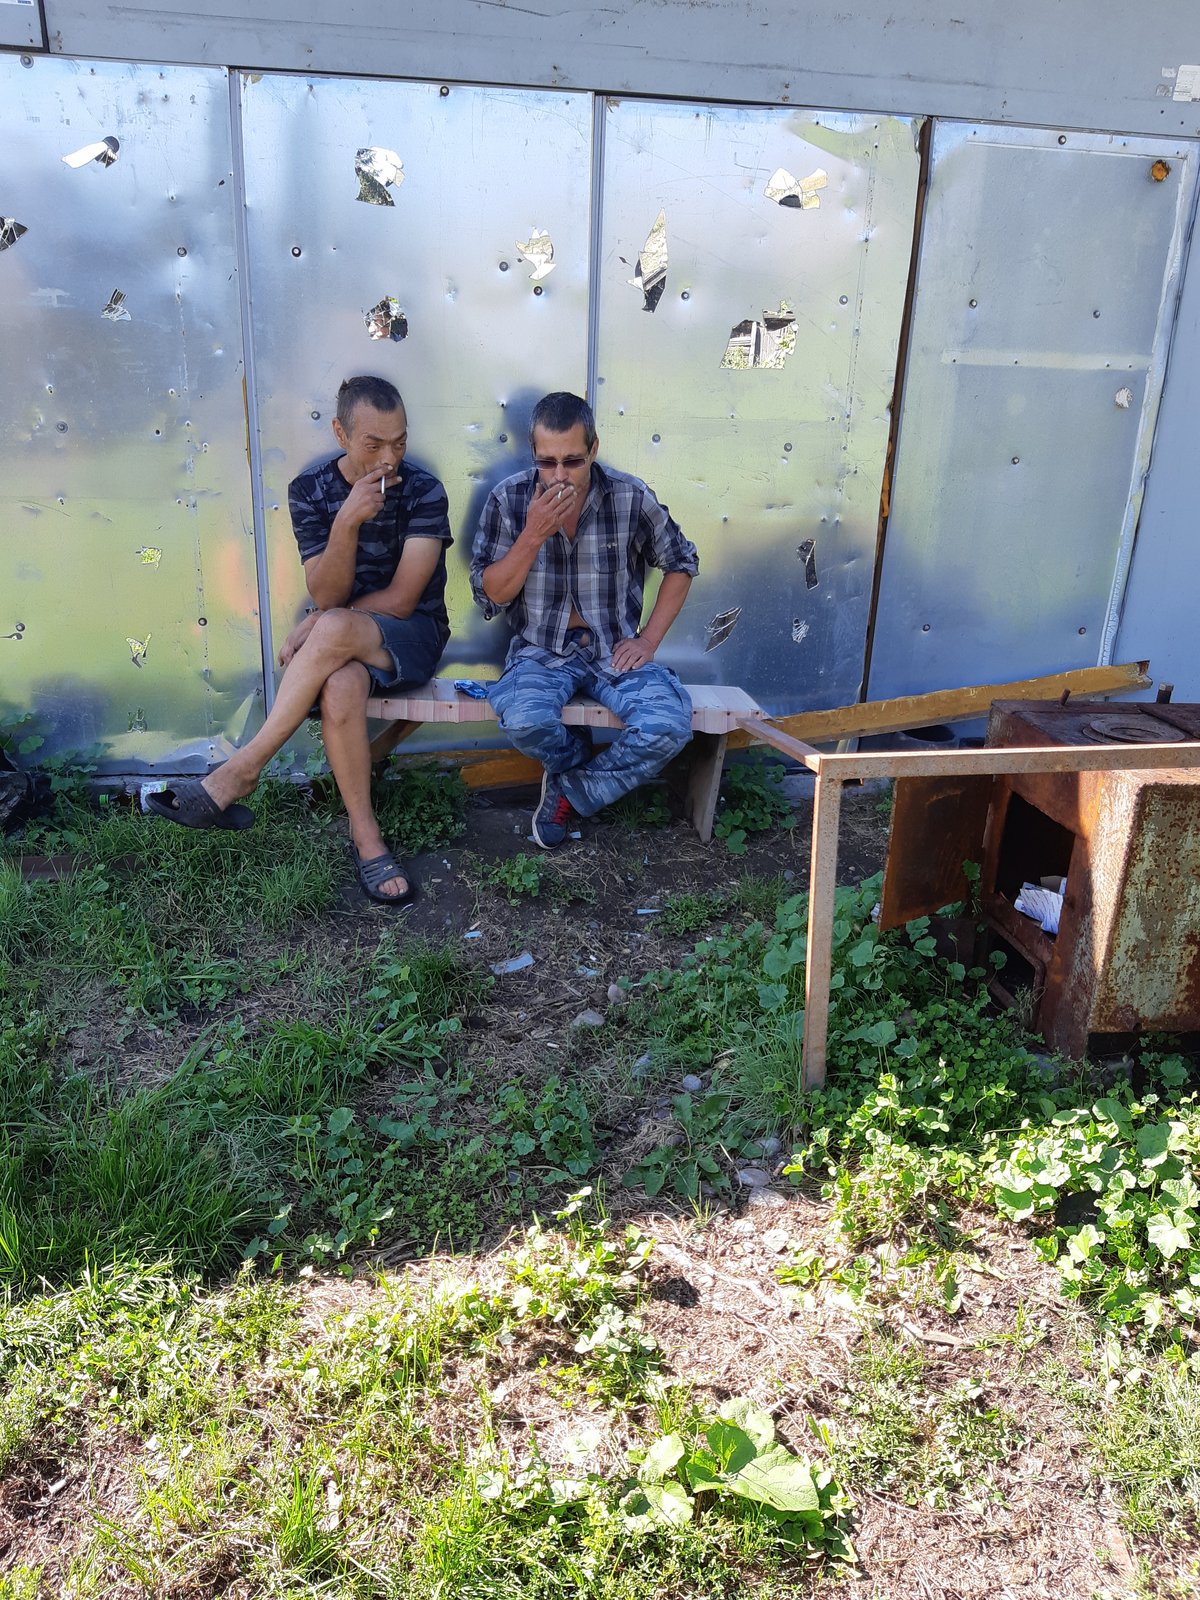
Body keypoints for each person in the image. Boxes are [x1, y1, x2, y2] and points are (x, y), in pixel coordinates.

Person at [148, 375, 452, 905]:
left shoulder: (424, 490)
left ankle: (242, 770)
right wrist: (346, 523)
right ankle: (367, 837)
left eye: (400, 442)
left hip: (413, 639)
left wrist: (321, 621)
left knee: (330, 626)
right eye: (374, 444)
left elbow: (404, 599)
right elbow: (326, 592)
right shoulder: (309, 491)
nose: (389, 458)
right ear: (340, 432)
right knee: (340, 683)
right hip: (344, 646)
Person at [470, 391, 698, 847]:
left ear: (593, 449)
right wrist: (532, 535)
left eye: (572, 461)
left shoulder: (629, 496)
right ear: (533, 453)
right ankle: (573, 755)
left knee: (668, 726)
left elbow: (682, 561)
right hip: (539, 649)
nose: (559, 475)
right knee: (524, 722)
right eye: (547, 462)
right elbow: (490, 595)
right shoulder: (509, 498)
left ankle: (571, 791)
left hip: (613, 648)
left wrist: (649, 640)